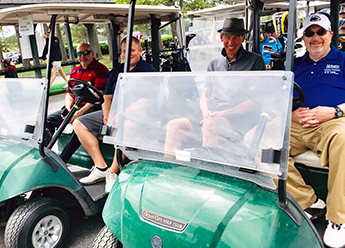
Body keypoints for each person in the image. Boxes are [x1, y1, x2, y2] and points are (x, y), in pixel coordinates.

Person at [164, 17, 265, 154]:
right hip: (214, 113)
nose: (231, 42)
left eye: (236, 38)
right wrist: (205, 112)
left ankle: (209, 171)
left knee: (210, 125)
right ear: (221, 37)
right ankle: (169, 170)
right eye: (227, 37)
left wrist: (223, 113)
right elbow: (205, 95)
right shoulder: (214, 63)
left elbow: (256, 102)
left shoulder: (255, 61)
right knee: (173, 126)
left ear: (243, 38)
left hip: (241, 117)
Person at [287, 13, 345, 248]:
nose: (315, 37)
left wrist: (334, 111)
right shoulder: (296, 64)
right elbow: (279, 96)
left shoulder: (342, 59)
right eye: (310, 33)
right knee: (257, 139)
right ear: (303, 37)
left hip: (331, 123)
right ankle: (307, 201)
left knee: (343, 139)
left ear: (331, 35)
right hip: (297, 124)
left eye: (320, 32)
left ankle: (337, 219)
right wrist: (291, 114)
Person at [70, 36, 156, 192]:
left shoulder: (148, 70)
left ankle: (112, 171)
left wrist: (121, 113)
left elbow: (148, 100)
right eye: (124, 51)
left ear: (140, 51)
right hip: (117, 113)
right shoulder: (117, 70)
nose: (128, 54)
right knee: (79, 123)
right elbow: (107, 96)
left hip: (142, 115)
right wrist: (107, 114)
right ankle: (101, 167)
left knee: (126, 126)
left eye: (132, 50)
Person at [46, 43, 109, 154]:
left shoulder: (100, 70)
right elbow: (69, 94)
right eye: (79, 54)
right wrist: (68, 109)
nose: (82, 56)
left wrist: (77, 114)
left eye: (85, 53)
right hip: (76, 107)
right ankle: (44, 151)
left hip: (93, 107)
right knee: (48, 120)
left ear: (92, 54)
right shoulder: (75, 71)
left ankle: (63, 159)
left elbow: (98, 97)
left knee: (79, 123)